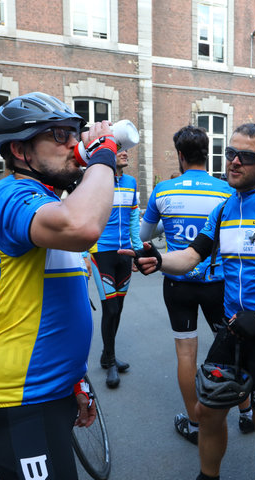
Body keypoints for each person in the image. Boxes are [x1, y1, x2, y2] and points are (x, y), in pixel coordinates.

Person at [125, 123, 255, 480]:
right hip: (234, 330)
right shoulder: (224, 209)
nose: (234, 162)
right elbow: (190, 257)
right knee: (208, 411)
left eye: (246, 157)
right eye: (230, 154)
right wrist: (159, 259)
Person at [0, 92, 117, 480]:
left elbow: (46, 309)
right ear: (20, 151)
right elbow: (83, 227)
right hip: (18, 399)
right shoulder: (15, 195)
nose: (75, 144)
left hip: (44, 389)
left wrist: (75, 379)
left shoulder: (47, 201)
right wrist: (103, 156)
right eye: (59, 135)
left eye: (76, 133)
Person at [140, 125, 241, 445]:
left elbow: (144, 236)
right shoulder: (227, 191)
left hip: (177, 279)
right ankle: (248, 408)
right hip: (217, 281)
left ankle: (195, 422)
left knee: (186, 351)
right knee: (231, 342)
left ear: (181, 156)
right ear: (206, 153)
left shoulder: (164, 190)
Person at [89, 146, 142, 388]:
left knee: (118, 309)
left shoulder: (131, 181)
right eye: (119, 150)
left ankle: (106, 354)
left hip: (124, 253)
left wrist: (137, 250)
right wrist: (83, 255)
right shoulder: (96, 180)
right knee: (109, 310)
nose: (125, 153)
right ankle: (110, 361)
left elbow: (133, 218)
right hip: (102, 252)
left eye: (126, 150)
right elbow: (87, 216)